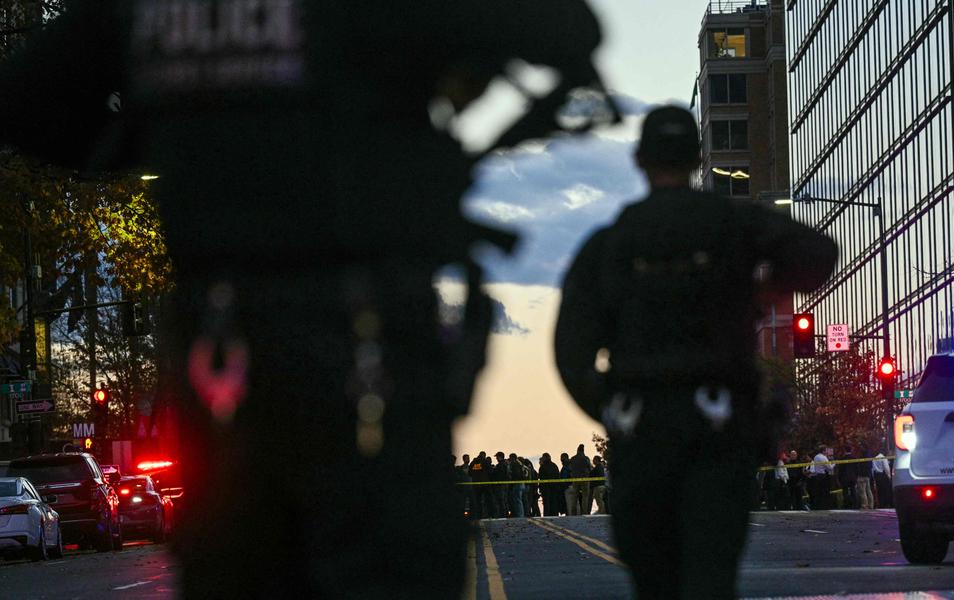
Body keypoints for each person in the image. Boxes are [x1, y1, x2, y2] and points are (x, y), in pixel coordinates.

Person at [0, 1, 615, 597]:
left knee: (236, 564)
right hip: (367, 354)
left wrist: (159, 136)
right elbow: (566, 28)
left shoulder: (151, 11)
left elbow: (26, 102)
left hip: (220, 355)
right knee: (392, 567)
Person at [554, 106, 837, 599]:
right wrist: (764, 290)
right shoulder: (733, 225)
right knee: (711, 577)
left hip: (641, 429)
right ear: (698, 157)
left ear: (640, 160)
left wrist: (611, 410)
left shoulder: (611, 244)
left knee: (654, 581)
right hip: (719, 427)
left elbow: (569, 353)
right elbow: (818, 253)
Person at [569, 444, 593, 516]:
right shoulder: (586, 458)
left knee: (574, 496)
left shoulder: (573, 458)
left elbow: (570, 468)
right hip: (585, 478)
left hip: (575, 479)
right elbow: (590, 468)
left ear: (577, 450)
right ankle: (584, 512)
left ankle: (573, 512)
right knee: (585, 496)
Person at [854, 445, 875, 510]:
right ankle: (871, 505)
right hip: (868, 475)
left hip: (862, 475)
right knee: (869, 490)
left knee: (862, 491)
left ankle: (864, 505)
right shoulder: (869, 455)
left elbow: (860, 466)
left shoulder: (862, 455)